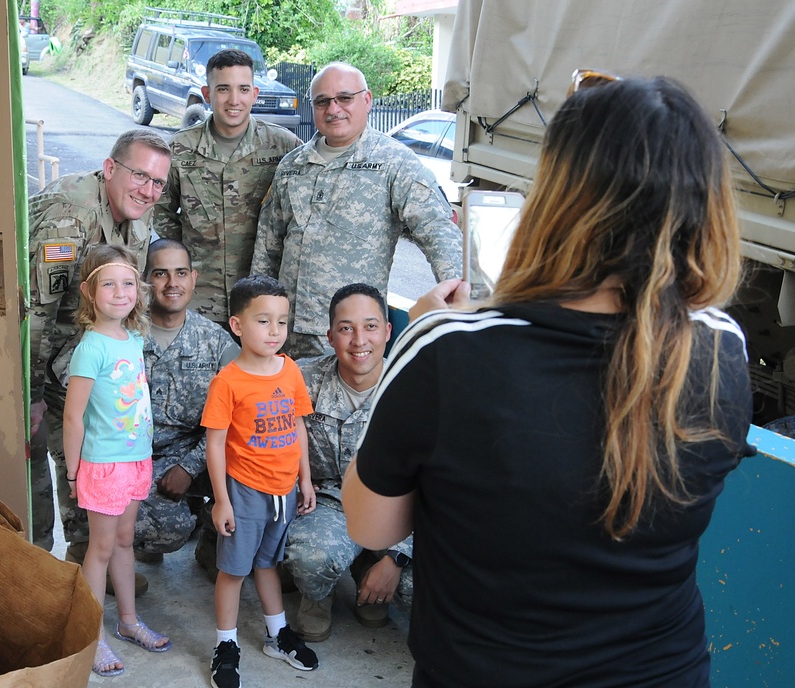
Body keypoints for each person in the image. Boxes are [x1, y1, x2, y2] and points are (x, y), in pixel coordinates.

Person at [343, 76, 757, 687]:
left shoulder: (448, 350)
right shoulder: (722, 346)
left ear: (558, 195)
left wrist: (418, 333)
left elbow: (371, 526)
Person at [250, 62, 465, 359]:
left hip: (349, 338)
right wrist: (258, 315)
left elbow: (438, 230)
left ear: (367, 100)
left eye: (345, 98)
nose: (333, 108)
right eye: (322, 101)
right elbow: (268, 247)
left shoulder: (394, 163)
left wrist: (458, 298)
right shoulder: (292, 166)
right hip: (283, 332)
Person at [28, 128, 171, 569]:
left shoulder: (138, 211)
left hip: (87, 350)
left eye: (158, 183)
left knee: (92, 452)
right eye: (140, 176)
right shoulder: (70, 215)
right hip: (46, 348)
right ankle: (41, 566)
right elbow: (37, 312)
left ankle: (89, 556)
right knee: (46, 453)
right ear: (110, 168)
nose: (149, 191)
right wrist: (31, 393)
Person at [201, 275, 319, 688]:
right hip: (244, 490)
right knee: (233, 570)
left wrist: (305, 479)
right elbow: (214, 446)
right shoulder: (228, 382)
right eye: (264, 321)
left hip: (284, 490)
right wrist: (221, 500)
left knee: (269, 563)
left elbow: (299, 428)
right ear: (237, 325)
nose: (275, 332)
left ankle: (277, 635)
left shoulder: (290, 371)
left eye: (282, 322)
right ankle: (226, 645)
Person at [62, 244, 171, 677]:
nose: (121, 292)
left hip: (135, 461)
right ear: (90, 292)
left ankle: (128, 622)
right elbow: (73, 416)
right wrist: (74, 472)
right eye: (109, 283)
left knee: (125, 542)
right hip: (102, 466)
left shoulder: (133, 339)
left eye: (129, 283)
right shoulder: (90, 349)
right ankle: (94, 637)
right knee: (101, 548)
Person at [284, 283, 413, 642]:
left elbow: (441, 487)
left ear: (388, 332)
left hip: (396, 511)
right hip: (326, 503)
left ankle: (370, 565)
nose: (359, 340)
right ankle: (318, 594)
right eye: (346, 328)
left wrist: (396, 560)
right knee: (310, 559)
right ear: (329, 336)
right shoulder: (300, 378)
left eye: (371, 326)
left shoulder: (417, 389)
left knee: (421, 587)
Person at [153, 49, 301, 325]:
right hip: (199, 301)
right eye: (223, 89)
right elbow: (159, 208)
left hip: (263, 302)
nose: (234, 100)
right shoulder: (180, 148)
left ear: (255, 93)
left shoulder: (284, 147)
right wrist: (191, 248)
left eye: (243, 89)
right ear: (207, 95)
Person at [134, 238, 239, 560]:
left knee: (258, 477)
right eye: (160, 274)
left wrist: (188, 467)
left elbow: (237, 417)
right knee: (162, 530)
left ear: (193, 278)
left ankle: (214, 540)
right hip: (137, 457)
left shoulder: (217, 342)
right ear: (145, 281)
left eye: (180, 273)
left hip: (199, 452)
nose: (172, 284)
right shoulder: (125, 338)